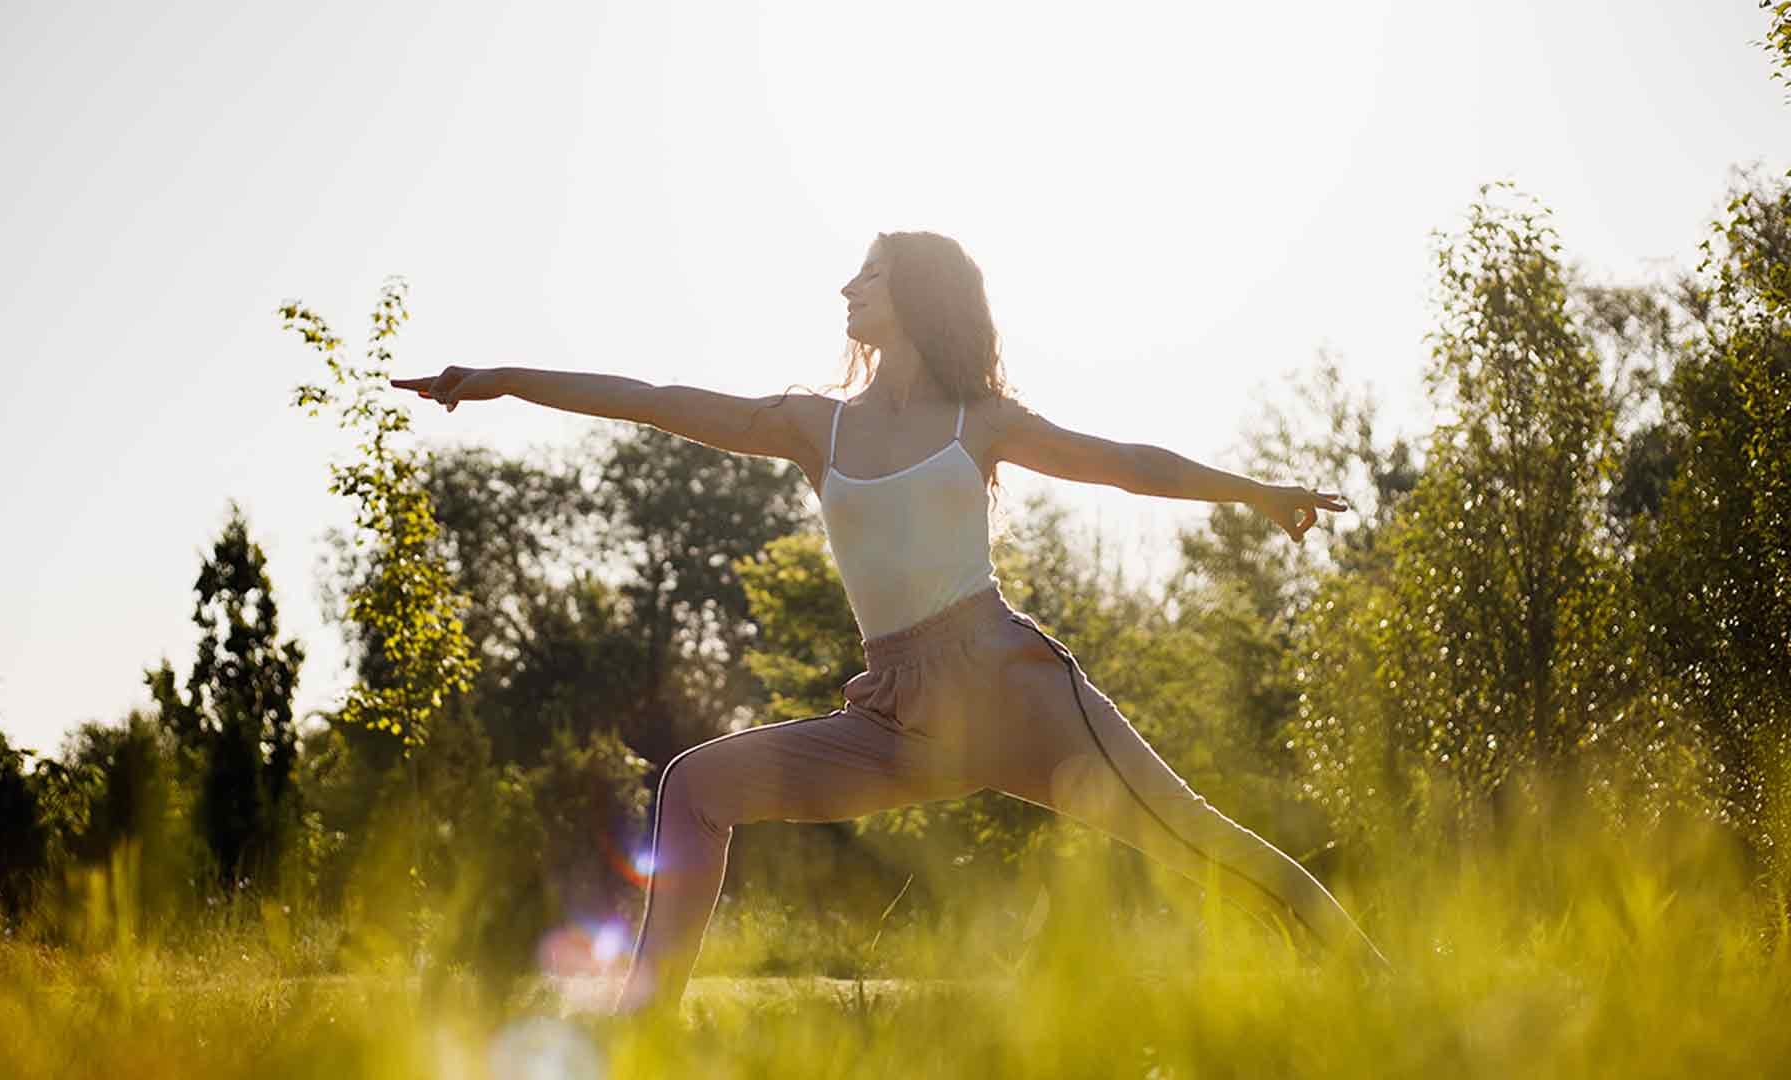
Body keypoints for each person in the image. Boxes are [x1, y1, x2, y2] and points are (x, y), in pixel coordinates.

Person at [391, 230, 1393, 1017]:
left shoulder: (980, 421)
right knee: (694, 786)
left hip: (1017, 690)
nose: (846, 289)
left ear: (916, 294)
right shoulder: (809, 425)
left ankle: (1382, 987)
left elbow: (1127, 462)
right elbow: (655, 402)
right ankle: (646, 1028)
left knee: (1196, 844)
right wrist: (504, 380)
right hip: (897, 715)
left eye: (867, 274)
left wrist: (1255, 492)